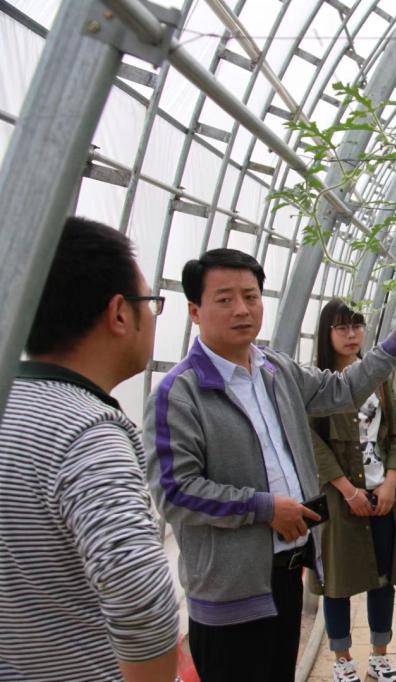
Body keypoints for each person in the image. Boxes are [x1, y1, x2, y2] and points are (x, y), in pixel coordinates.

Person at [144, 248, 396, 682]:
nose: (242, 309)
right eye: (225, 299)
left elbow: (342, 391)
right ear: (194, 311)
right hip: (230, 593)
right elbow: (175, 491)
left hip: (286, 574)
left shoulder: (275, 370)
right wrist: (265, 508)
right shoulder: (179, 395)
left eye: (251, 296)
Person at [0, 217, 179, 682]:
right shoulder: (86, 432)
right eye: (151, 303)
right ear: (119, 313)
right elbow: (140, 592)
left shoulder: (11, 407)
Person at [308, 300, 396, 682]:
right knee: (337, 583)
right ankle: (343, 660)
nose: (351, 335)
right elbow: (313, 443)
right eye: (342, 328)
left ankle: (380, 657)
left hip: (382, 495)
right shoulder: (316, 382)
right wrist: (347, 490)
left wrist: (391, 481)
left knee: (383, 578)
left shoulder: (378, 378)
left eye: (357, 326)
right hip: (339, 499)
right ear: (327, 333)